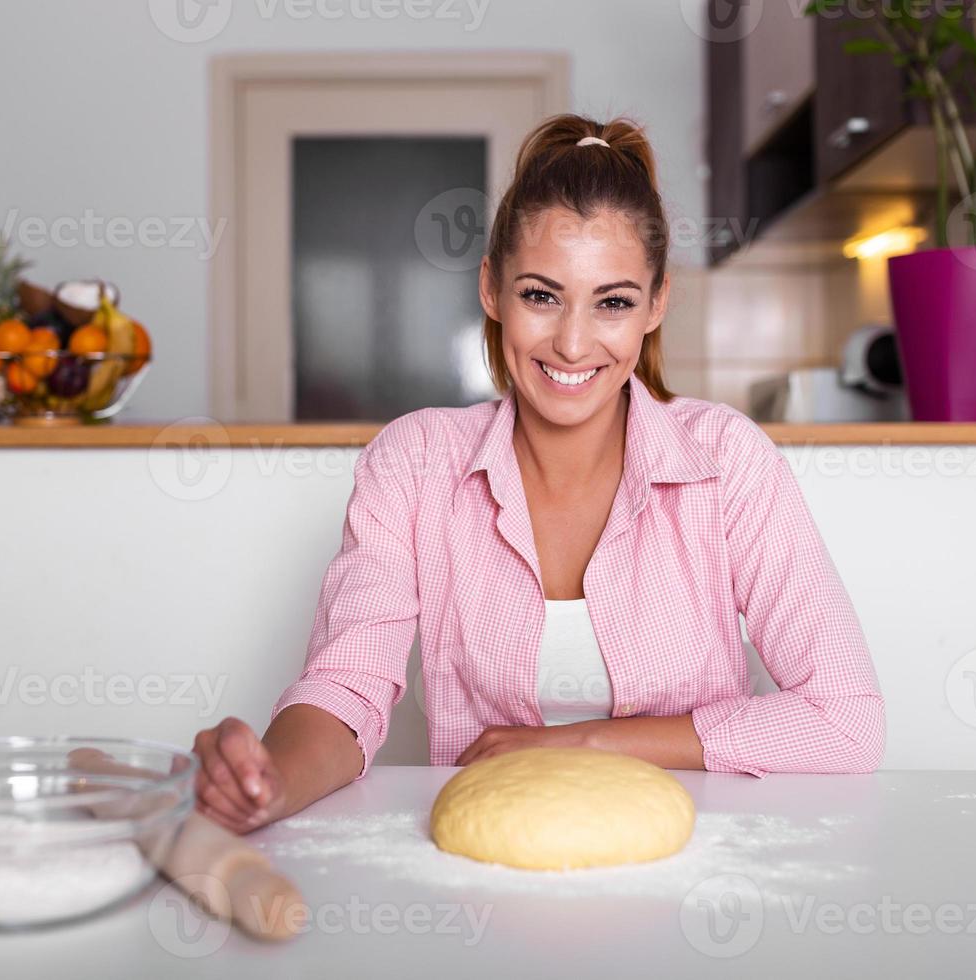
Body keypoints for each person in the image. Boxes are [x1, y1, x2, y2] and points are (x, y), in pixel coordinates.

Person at [191, 114, 885, 834]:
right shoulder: (414, 463)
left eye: (612, 302)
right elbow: (346, 690)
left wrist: (579, 743)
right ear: (492, 291)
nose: (573, 342)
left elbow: (847, 719)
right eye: (541, 296)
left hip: (692, 867)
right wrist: (265, 782)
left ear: (656, 305)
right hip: (488, 871)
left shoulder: (727, 463)